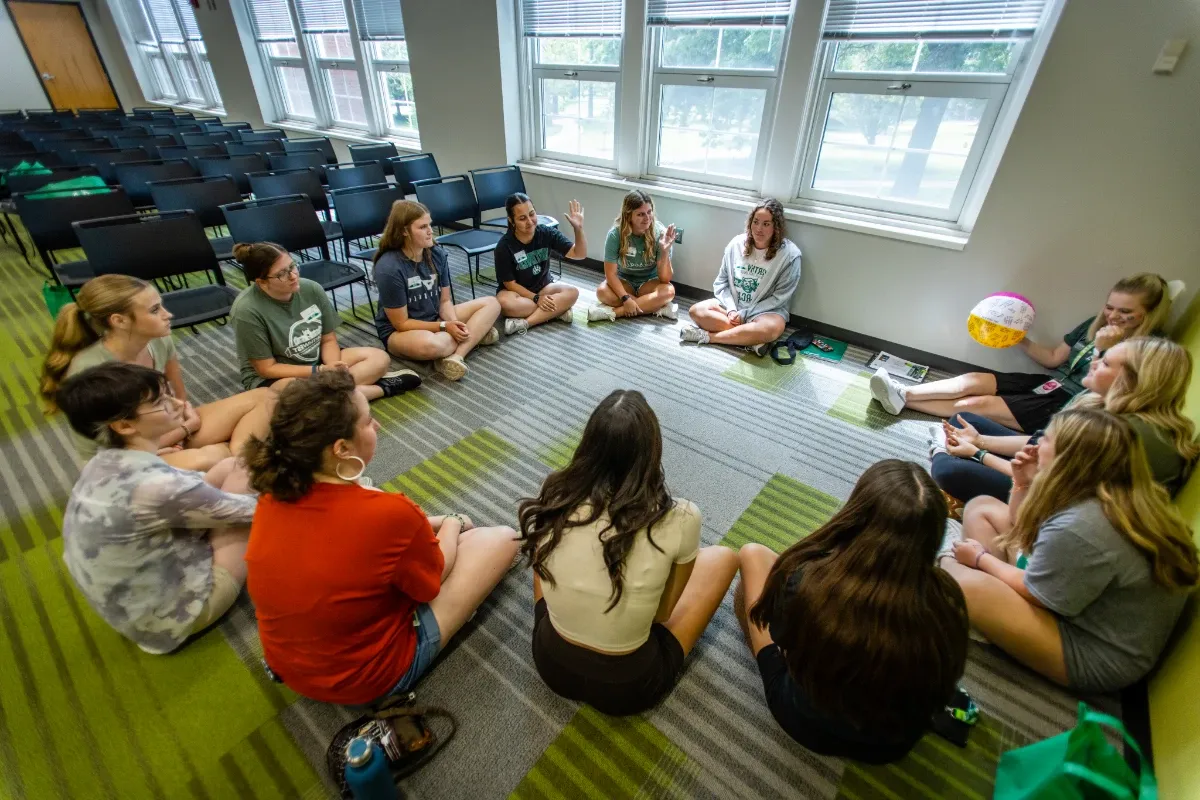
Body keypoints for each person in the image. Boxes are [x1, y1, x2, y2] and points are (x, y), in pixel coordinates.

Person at [243, 370, 519, 705]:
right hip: (364, 679)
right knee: (503, 539)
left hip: (290, 665)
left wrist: (426, 525)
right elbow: (434, 578)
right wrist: (453, 521)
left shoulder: (271, 497)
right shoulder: (387, 513)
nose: (378, 427)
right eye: (368, 421)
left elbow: (364, 540)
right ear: (342, 448)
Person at [941, 409, 1198, 692]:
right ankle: (997, 615)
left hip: (1089, 650)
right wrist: (1023, 483)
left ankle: (992, 621)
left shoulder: (1084, 524)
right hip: (1077, 603)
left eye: (1046, 439)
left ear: (1068, 457)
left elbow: (1035, 593)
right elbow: (1020, 526)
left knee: (956, 574)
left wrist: (981, 559)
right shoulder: (1114, 490)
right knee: (982, 507)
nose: (1035, 445)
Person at [517, 390, 738, 716]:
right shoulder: (683, 516)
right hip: (630, 687)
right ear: (652, 450)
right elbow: (661, 616)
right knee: (724, 558)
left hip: (550, 663)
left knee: (547, 545)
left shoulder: (554, 493)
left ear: (588, 445)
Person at [735, 460, 968, 763]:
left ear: (857, 514)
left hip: (806, 724)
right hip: (891, 747)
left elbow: (780, 637)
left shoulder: (807, 581)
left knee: (751, 556)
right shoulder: (949, 600)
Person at [56, 363, 256, 654]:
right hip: (176, 618)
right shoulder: (157, 487)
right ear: (124, 425)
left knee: (230, 466)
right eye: (161, 402)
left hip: (134, 608)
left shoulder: (103, 461)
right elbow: (254, 510)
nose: (178, 403)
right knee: (248, 481)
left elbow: (191, 492)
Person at [869, 273, 1173, 431]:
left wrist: (1104, 350)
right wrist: (1018, 338)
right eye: (1109, 307)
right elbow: (1055, 359)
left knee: (977, 404)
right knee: (975, 379)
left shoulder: (1148, 348)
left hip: (1071, 403)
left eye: (1126, 312)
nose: (1113, 316)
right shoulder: (1092, 325)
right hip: (1051, 384)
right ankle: (903, 392)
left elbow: (1113, 396)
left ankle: (902, 401)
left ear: (1148, 315)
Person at [40, 274, 275, 472]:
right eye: (155, 310)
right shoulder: (89, 371)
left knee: (266, 397)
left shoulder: (159, 341)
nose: (167, 314)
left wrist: (184, 425)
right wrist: (185, 430)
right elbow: (115, 446)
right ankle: (238, 464)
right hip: (120, 458)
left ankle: (242, 463)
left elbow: (180, 402)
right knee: (214, 456)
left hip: (164, 427)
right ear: (119, 320)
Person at [932, 337, 1197, 503]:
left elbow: (1045, 484)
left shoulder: (1111, 431)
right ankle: (956, 449)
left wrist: (978, 453)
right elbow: (1044, 443)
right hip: (1053, 475)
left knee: (948, 469)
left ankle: (947, 452)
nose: (1094, 362)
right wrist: (980, 440)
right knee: (964, 419)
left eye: (1105, 363)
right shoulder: (1105, 405)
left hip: (1058, 501)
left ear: (1130, 381)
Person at [228, 242, 420, 400]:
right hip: (280, 375)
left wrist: (333, 368)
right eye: (282, 274)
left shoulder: (311, 288)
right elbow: (266, 368)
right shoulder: (246, 310)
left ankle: (331, 396)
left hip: (318, 362)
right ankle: (379, 389)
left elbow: (328, 339)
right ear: (261, 282)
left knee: (379, 358)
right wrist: (319, 370)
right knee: (290, 396)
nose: (293, 276)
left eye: (292, 266)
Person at [373, 200, 503, 382]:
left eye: (430, 225)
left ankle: (455, 356)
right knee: (432, 345)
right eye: (423, 227)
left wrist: (455, 324)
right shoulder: (389, 268)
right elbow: (401, 323)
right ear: (404, 231)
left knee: (492, 303)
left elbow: (444, 301)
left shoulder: (436, 253)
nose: (430, 231)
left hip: (435, 317)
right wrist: (444, 326)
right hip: (401, 332)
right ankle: (474, 336)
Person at [681, 199, 801, 357]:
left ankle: (710, 337)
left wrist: (745, 314)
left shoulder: (790, 255)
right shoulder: (736, 244)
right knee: (696, 311)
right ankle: (752, 340)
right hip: (732, 309)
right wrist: (731, 309)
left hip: (765, 312)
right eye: (756, 222)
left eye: (766, 224)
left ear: (776, 227)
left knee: (771, 329)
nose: (759, 229)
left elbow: (779, 298)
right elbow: (721, 283)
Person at [495, 193, 585, 336]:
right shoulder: (504, 246)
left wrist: (578, 229)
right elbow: (510, 284)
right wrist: (537, 299)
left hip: (544, 287)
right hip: (516, 294)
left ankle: (525, 323)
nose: (530, 222)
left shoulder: (546, 233)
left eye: (532, 214)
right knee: (504, 304)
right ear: (511, 221)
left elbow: (579, 254)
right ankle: (556, 311)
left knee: (573, 293)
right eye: (522, 218)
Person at [588, 190, 679, 323]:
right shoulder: (615, 235)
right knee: (602, 291)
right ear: (628, 215)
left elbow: (665, 279)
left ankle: (613, 313)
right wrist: (626, 298)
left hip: (650, 282)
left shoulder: (660, 233)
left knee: (669, 291)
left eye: (649, 212)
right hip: (625, 282)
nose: (647, 218)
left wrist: (664, 251)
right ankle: (656, 307)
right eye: (641, 214)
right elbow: (610, 274)